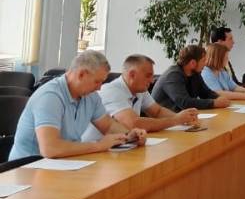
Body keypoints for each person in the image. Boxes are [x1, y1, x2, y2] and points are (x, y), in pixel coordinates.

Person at [9, 50, 146, 160]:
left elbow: (108, 126)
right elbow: (50, 149)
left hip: (62, 163)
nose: (99, 88)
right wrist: (99, 145)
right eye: (97, 82)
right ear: (81, 74)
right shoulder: (50, 96)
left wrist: (130, 135)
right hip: (28, 167)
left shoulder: (91, 96)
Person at [83, 54, 200, 141]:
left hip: (116, 146)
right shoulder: (112, 91)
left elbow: (157, 111)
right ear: (132, 75)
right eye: (148, 76)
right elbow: (133, 123)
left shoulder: (140, 90)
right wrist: (175, 120)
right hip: (92, 152)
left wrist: (184, 119)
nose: (152, 80)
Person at [151, 45, 231, 111]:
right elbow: (185, 103)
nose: (205, 63)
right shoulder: (173, 75)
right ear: (193, 63)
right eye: (203, 61)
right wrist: (214, 103)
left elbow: (206, 93)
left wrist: (219, 98)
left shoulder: (195, 73)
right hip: (164, 121)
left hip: (181, 117)